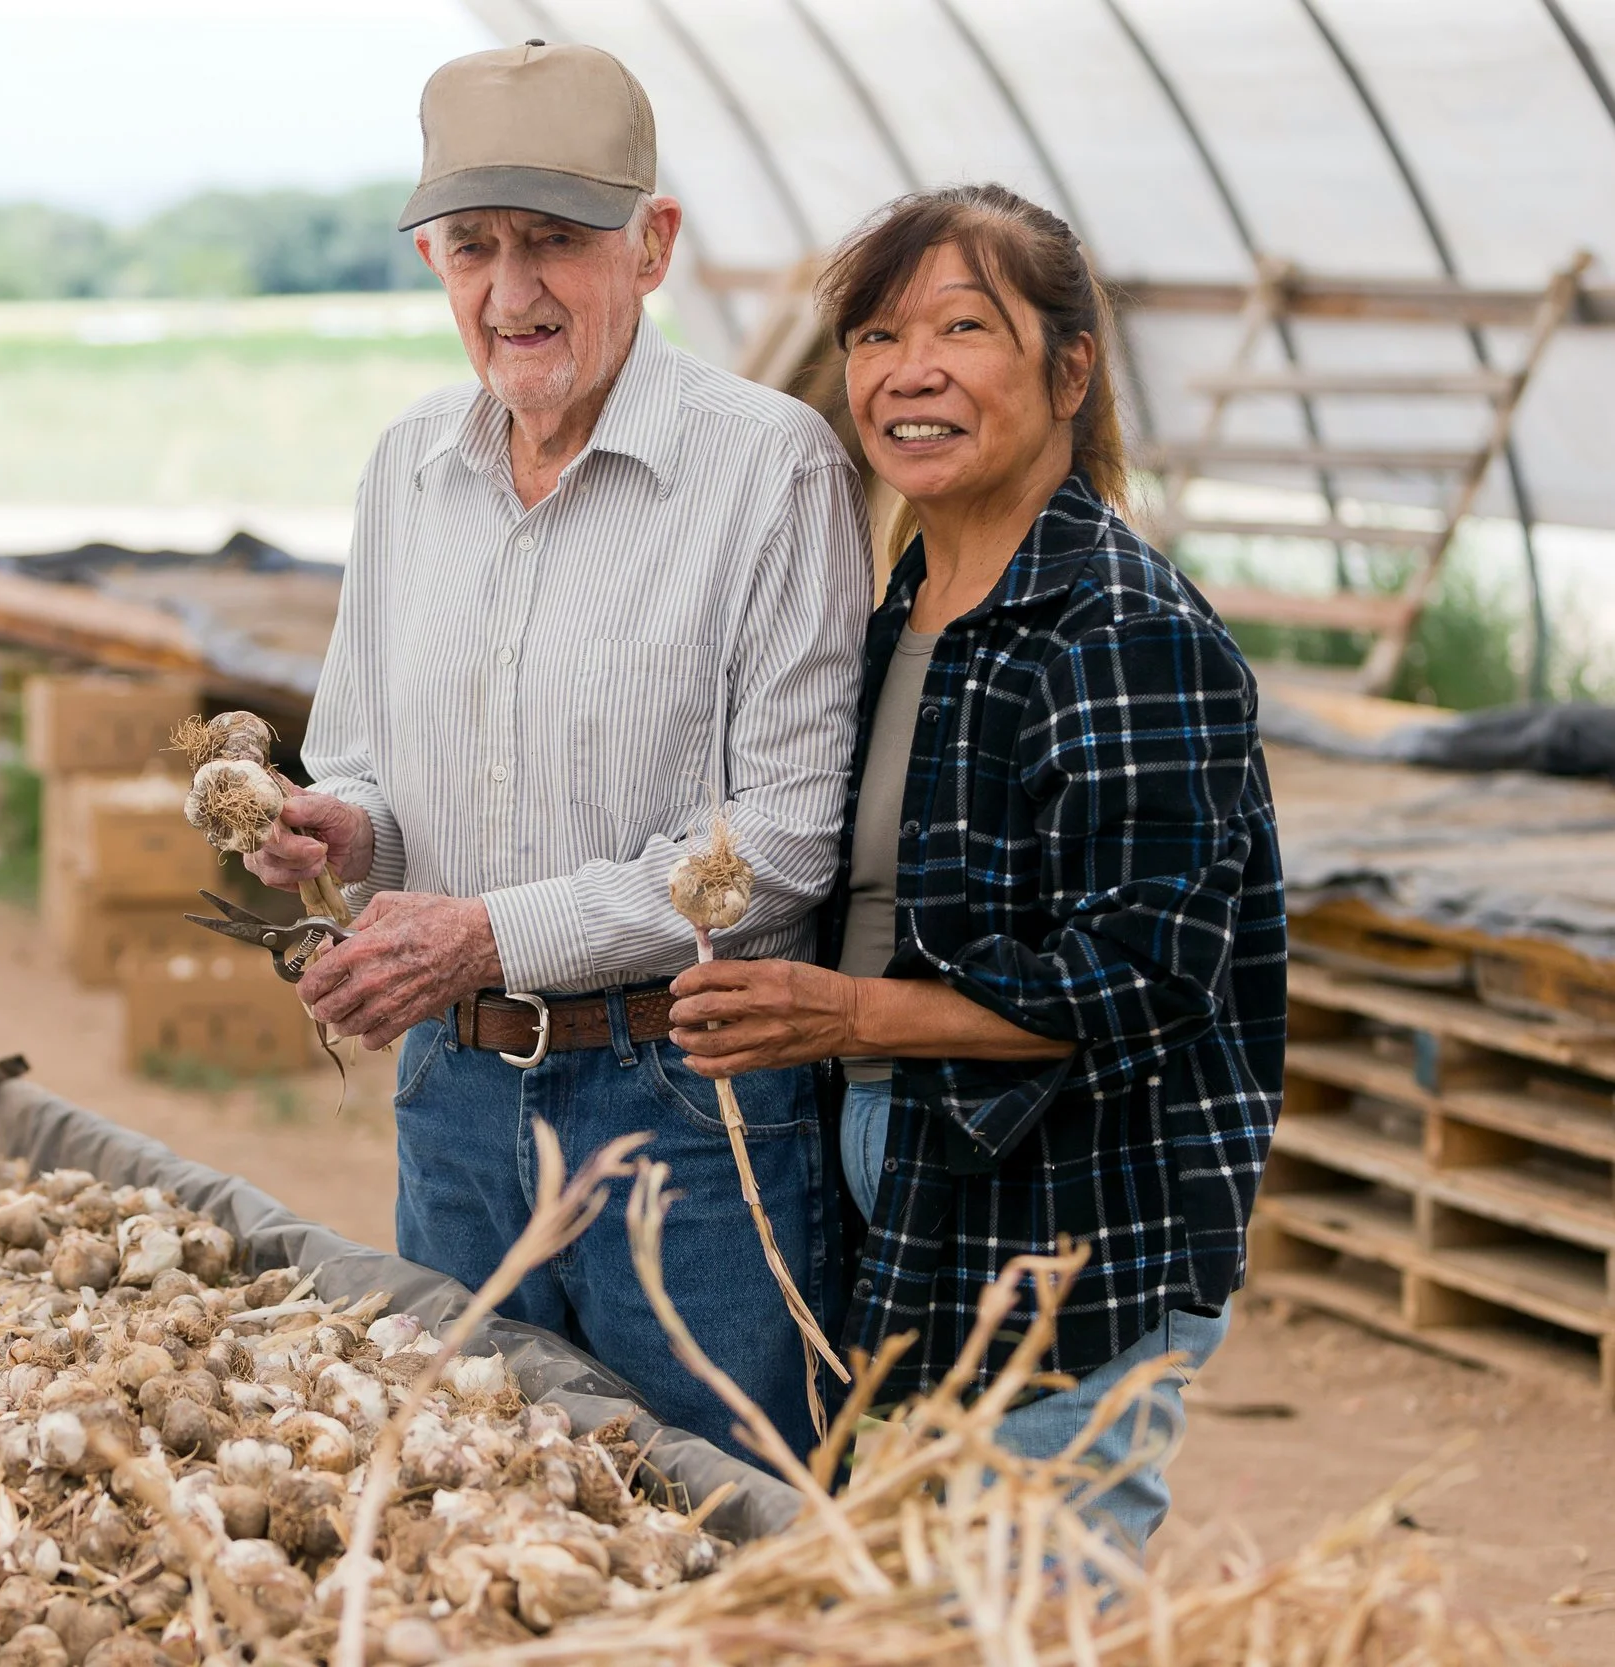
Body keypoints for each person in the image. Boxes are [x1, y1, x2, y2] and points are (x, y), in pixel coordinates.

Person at [243, 40, 873, 1467]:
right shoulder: (408, 470)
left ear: (652, 246)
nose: (511, 292)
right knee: (470, 1506)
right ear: (432, 258)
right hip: (455, 1103)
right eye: (474, 246)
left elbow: (775, 841)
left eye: (557, 242)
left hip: (688, 1114)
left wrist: (486, 933)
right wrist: (343, 829)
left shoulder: (769, 468)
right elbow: (367, 764)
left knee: (722, 1521)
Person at [667, 183, 1285, 1547]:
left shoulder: (1119, 628)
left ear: (1070, 368)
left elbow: (1142, 975)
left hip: (1077, 1202)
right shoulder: (909, 607)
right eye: (878, 336)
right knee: (917, 1589)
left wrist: (841, 1013)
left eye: (964, 326)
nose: (910, 371)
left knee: (1038, 1588)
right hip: (917, 1159)